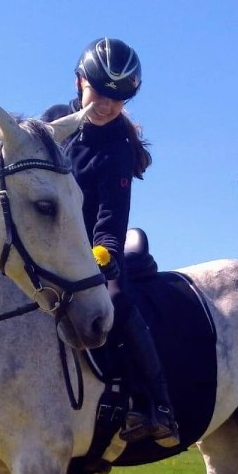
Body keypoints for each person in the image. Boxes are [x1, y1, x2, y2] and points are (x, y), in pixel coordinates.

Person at [43, 37, 179, 447]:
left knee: (116, 302)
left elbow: (110, 220)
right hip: (47, 246)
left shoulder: (118, 148)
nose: (105, 105)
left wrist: (101, 257)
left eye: (117, 100)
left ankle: (159, 405)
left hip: (93, 251)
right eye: (99, 93)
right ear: (79, 81)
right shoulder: (51, 123)